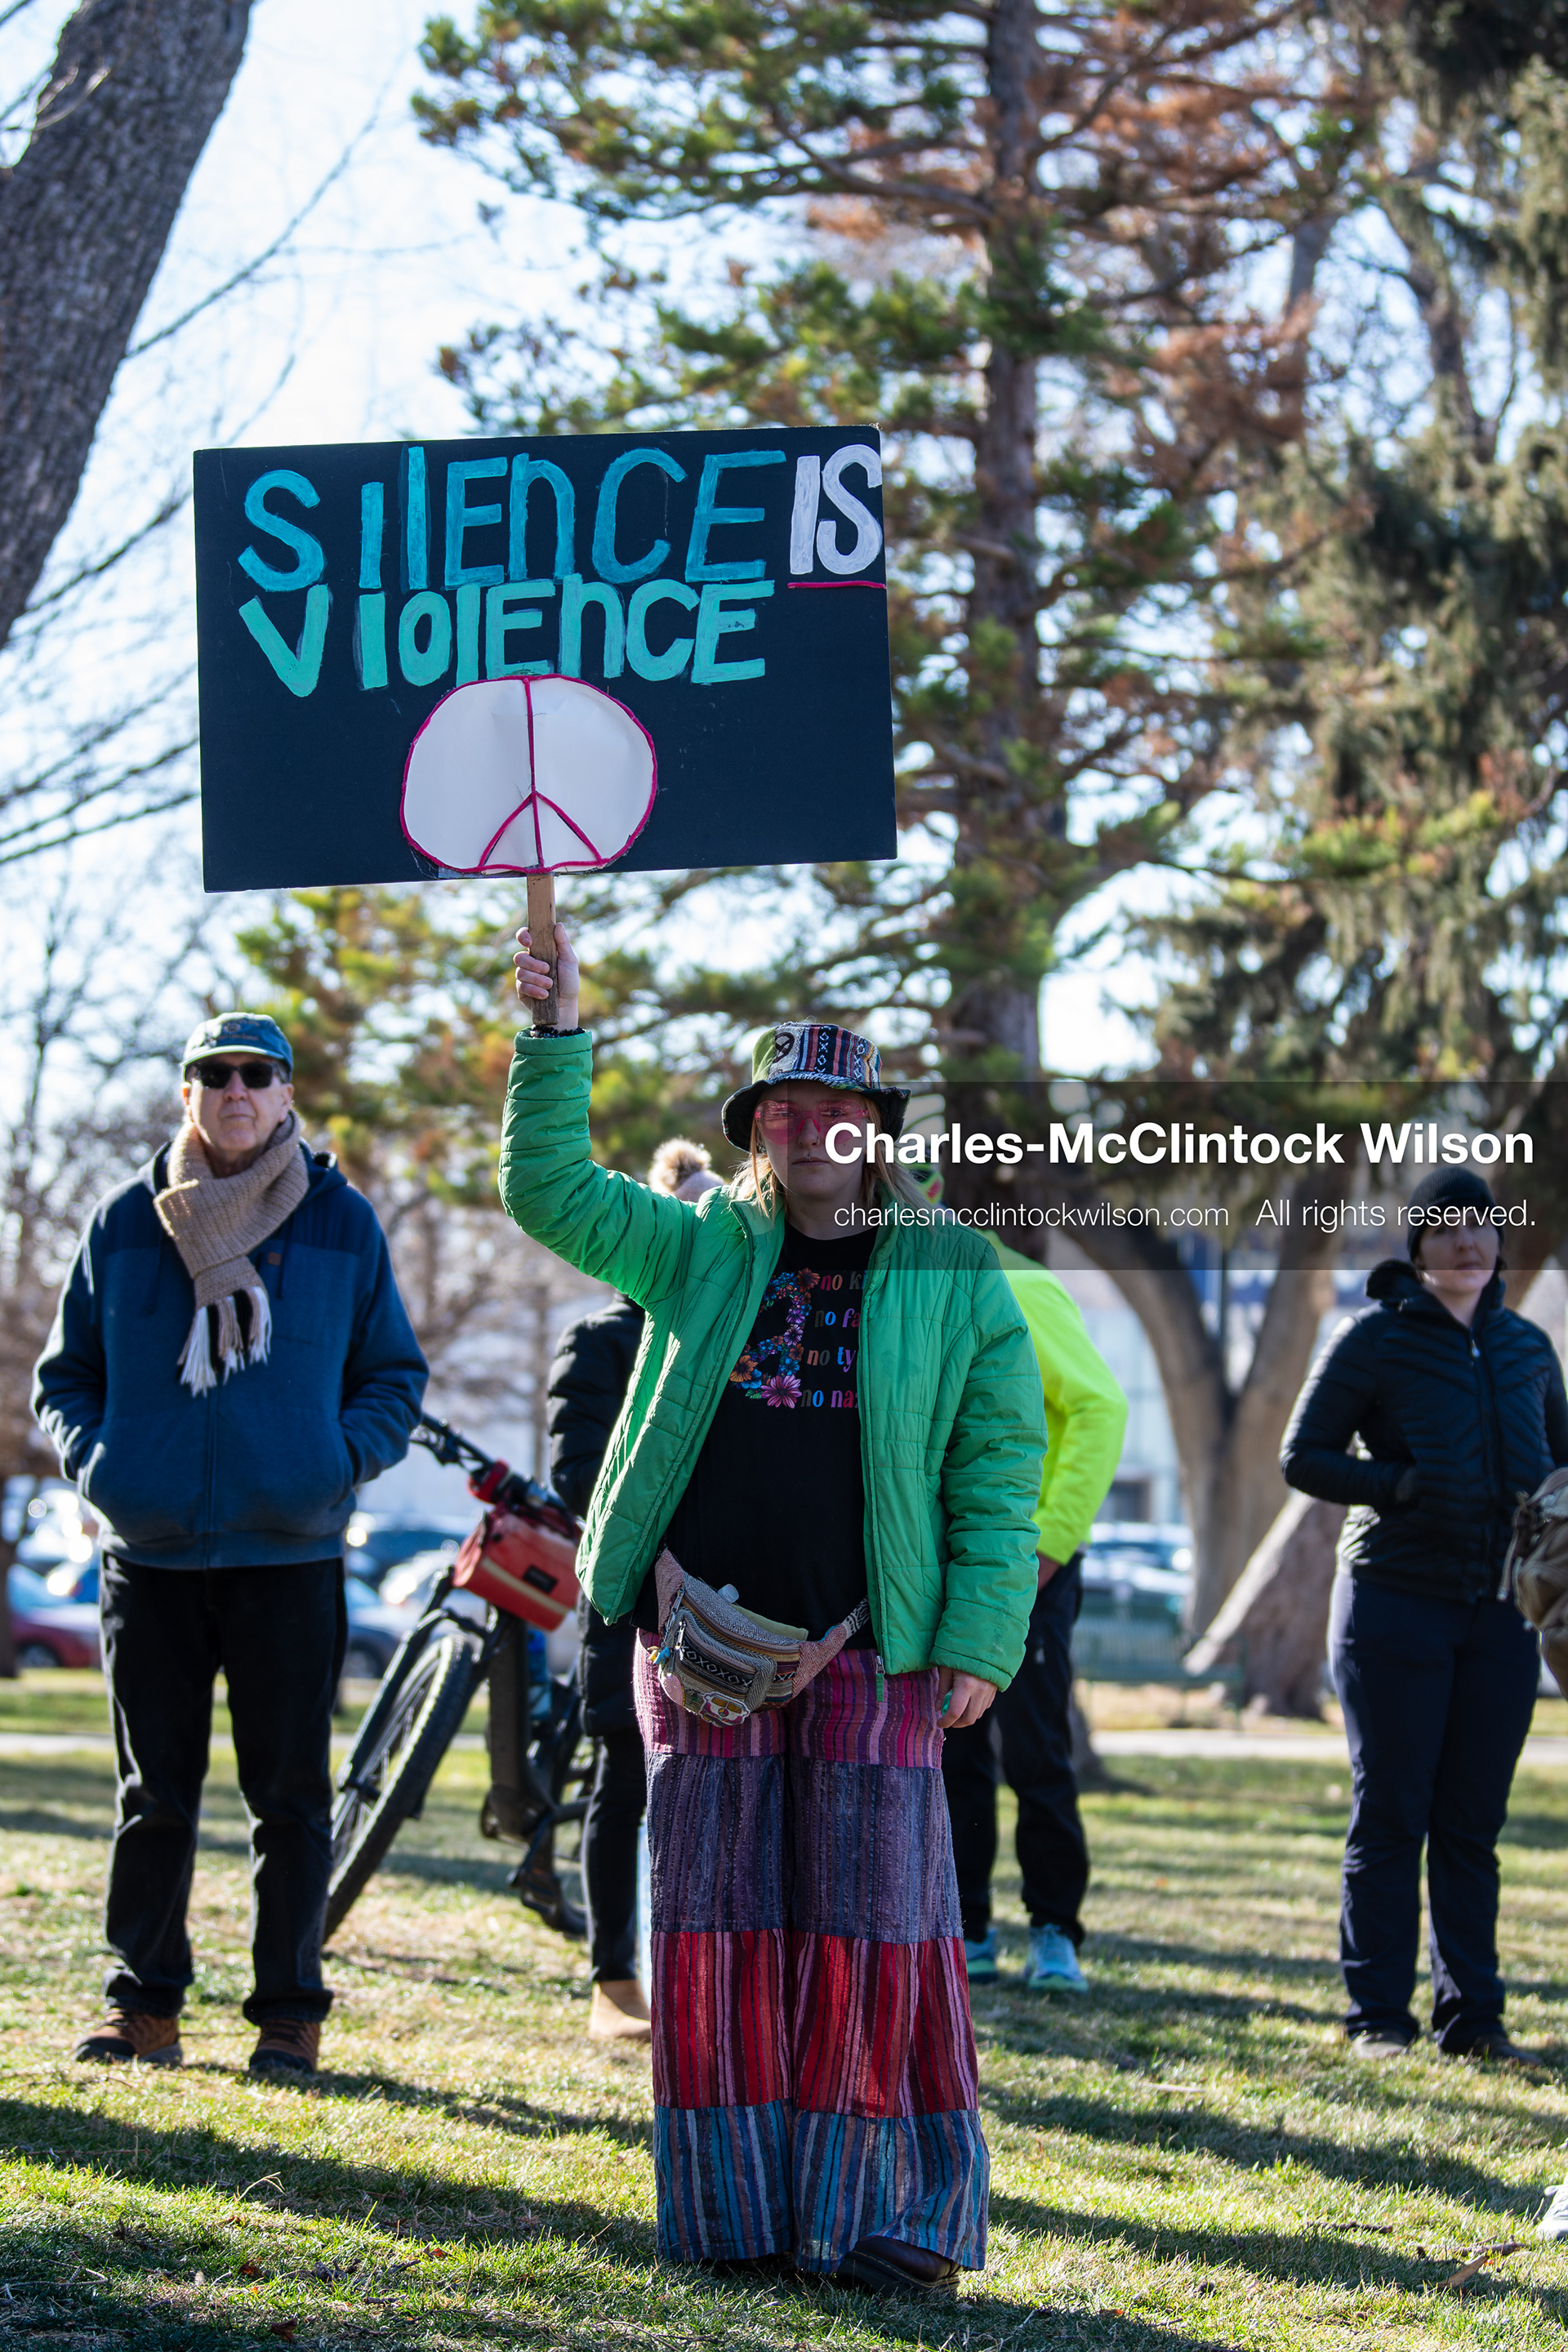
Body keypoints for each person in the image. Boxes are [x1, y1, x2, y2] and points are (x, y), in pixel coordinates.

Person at [503, 926, 1045, 2292]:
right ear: (755, 1133)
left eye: (840, 1114)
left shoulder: (955, 1271)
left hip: (882, 1655)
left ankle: (885, 2222)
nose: (813, 1135)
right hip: (692, 1649)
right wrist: (557, 1035)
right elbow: (550, 1185)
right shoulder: (697, 1247)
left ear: (880, 1132)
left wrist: (984, 1633)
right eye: (785, 1115)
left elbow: (997, 1464)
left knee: (880, 1938)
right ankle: (739, 2218)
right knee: (718, 1935)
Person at [33, 1013, 427, 2078]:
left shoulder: (342, 1224)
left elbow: (393, 1375)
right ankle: (143, 2005)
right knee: (152, 1795)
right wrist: (105, 1466)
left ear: (287, 1093)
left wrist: (333, 1461)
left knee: (290, 1798)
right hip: (148, 1555)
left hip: (288, 1554)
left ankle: (288, 2014)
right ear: (187, 1095)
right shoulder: (122, 1222)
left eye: (257, 1075)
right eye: (214, 1075)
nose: (236, 1091)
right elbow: (62, 1378)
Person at [1281, 1165, 1567, 2064]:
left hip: (1499, 1615)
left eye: (1481, 1228)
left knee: (1472, 1823)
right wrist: (1394, 1485)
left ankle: (1474, 2020)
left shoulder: (1527, 1349)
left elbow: (1561, 1462)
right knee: (1393, 1812)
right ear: (1417, 1248)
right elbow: (1305, 1456)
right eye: (1445, 1228)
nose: (1467, 1242)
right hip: (1392, 1604)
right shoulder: (1375, 1340)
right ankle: (1378, 2019)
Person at [547, 1138, 721, 2047]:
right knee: (623, 1779)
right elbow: (576, 1472)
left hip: (730, 1607)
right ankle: (615, 1978)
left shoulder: (748, 1329)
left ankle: (703, 1979)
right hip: (627, 1598)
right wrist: (658, 1546)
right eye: (685, 1208)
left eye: (715, 1210)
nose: (700, 1226)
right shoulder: (602, 1339)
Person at [942, 1234, 1127, 1993]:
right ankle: (969, 1927)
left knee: (1036, 1751)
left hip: (1031, 1569)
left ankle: (1054, 1931)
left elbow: (1101, 1406)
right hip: (949, 1568)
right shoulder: (903, 1289)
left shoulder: (1017, 1284)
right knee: (955, 1751)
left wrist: (1049, 1543)